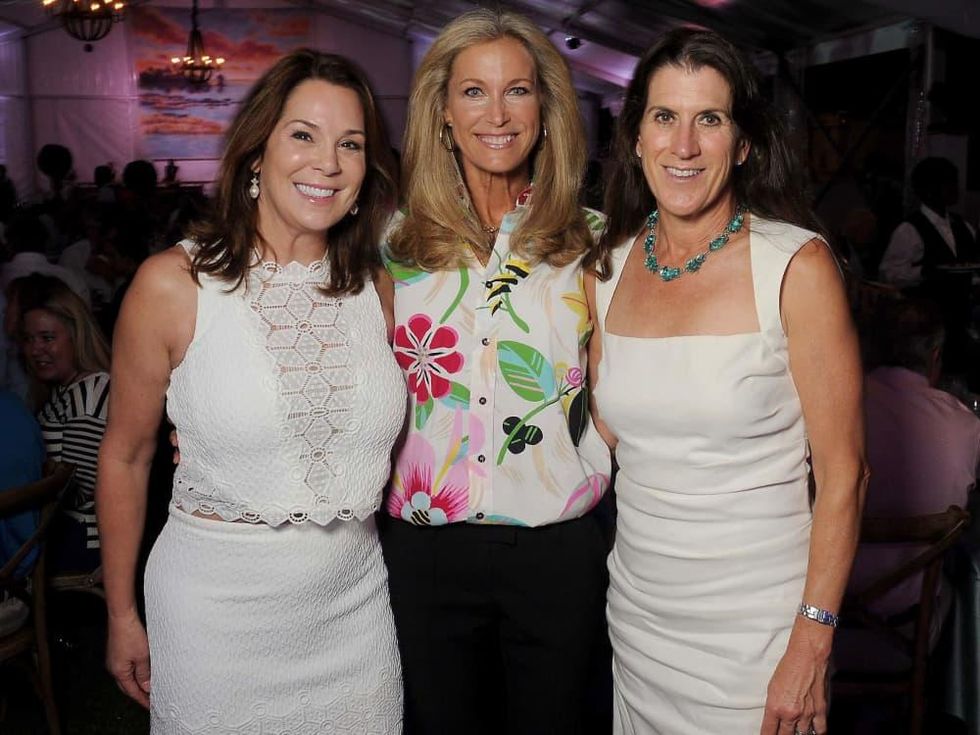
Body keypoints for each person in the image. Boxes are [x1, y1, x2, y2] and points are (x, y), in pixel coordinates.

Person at [96, 50, 404, 733]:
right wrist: (120, 613)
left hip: (354, 610)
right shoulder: (172, 285)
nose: (327, 161)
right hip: (217, 619)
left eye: (349, 143)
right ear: (256, 152)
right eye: (303, 134)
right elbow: (125, 456)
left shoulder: (375, 286)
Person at [588, 29, 868, 735]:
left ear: (742, 142)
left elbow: (846, 475)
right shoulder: (607, 268)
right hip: (640, 624)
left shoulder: (796, 267)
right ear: (636, 135)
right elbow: (605, 437)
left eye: (709, 119)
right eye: (664, 117)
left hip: (758, 642)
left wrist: (811, 641)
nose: (683, 145)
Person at [380, 10, 612, 734]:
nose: (497, 113)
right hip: (426, 551)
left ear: (545, 112)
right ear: (443, 114)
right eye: (474, 92)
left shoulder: (597, 242)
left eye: (517, 90)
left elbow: (619, 390)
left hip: (557, 551)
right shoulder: (391, 244)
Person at [850, 298, 980, 616]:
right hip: (910, 628)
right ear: (935, 357)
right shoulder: (965, 424)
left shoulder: (834, 412)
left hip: (823, 627)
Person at [15, 274, 110, 574]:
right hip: (63, 534)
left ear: (76, 334)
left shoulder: (89, 394)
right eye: (28, 340)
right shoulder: (66, 388)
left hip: (80, 542)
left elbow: (79, 490)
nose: (35, 350)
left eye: (47, 338)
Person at [878, 157, 978, 289]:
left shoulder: (963, 225)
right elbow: (889, 275)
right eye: (949, 183)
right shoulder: (909, 230)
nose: (955, 188)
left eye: (955, 182)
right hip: (926, 305)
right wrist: (923, 271)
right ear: (929, 190)